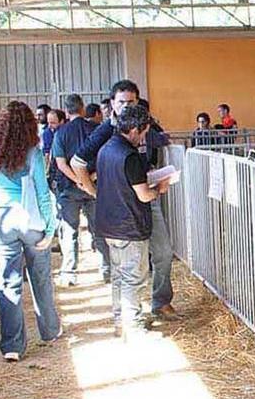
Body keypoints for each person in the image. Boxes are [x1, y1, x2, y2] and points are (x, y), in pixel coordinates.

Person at [72, 80, 178, 321]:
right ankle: (129, 318)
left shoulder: (146, 126)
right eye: (121, 102)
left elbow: (162, 142)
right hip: (126, 205)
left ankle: (160, 301)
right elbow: (78, 161)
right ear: (112, 104)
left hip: (144, 196)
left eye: (131, 102)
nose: (126, 106)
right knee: (129, 269)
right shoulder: (105, 132)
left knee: (161, 252)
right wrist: (95, 191)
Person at [0, 101, 62, 362]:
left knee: (8, 283)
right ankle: (49, 330)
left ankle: (12, 345)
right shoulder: (33, 153)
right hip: (29, 221)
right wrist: (50, 229)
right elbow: (42, 195)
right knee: (41, 278)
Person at [93, 104, 171, 341]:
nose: (144, 137)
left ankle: (121, 321)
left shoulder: (106, 148)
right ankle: (134, 327)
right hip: (129, 226)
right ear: (135, 129)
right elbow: (144, 195)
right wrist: (160, 187)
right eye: (144, 132)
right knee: (133, 279)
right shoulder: (130, 156)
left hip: (109, 224)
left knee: (119, 275)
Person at [51, 94, 109, 286]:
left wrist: (77, 180)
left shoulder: (60, 132)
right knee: (99, 229)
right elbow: (104, 158)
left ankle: (69, 273)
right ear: (83, 108)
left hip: (69, 189)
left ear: (66, 111)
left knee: (69, 231)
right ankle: (106, 270)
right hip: (94, 186)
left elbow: (60, 164)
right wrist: (88, 179)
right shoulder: (96, 129)